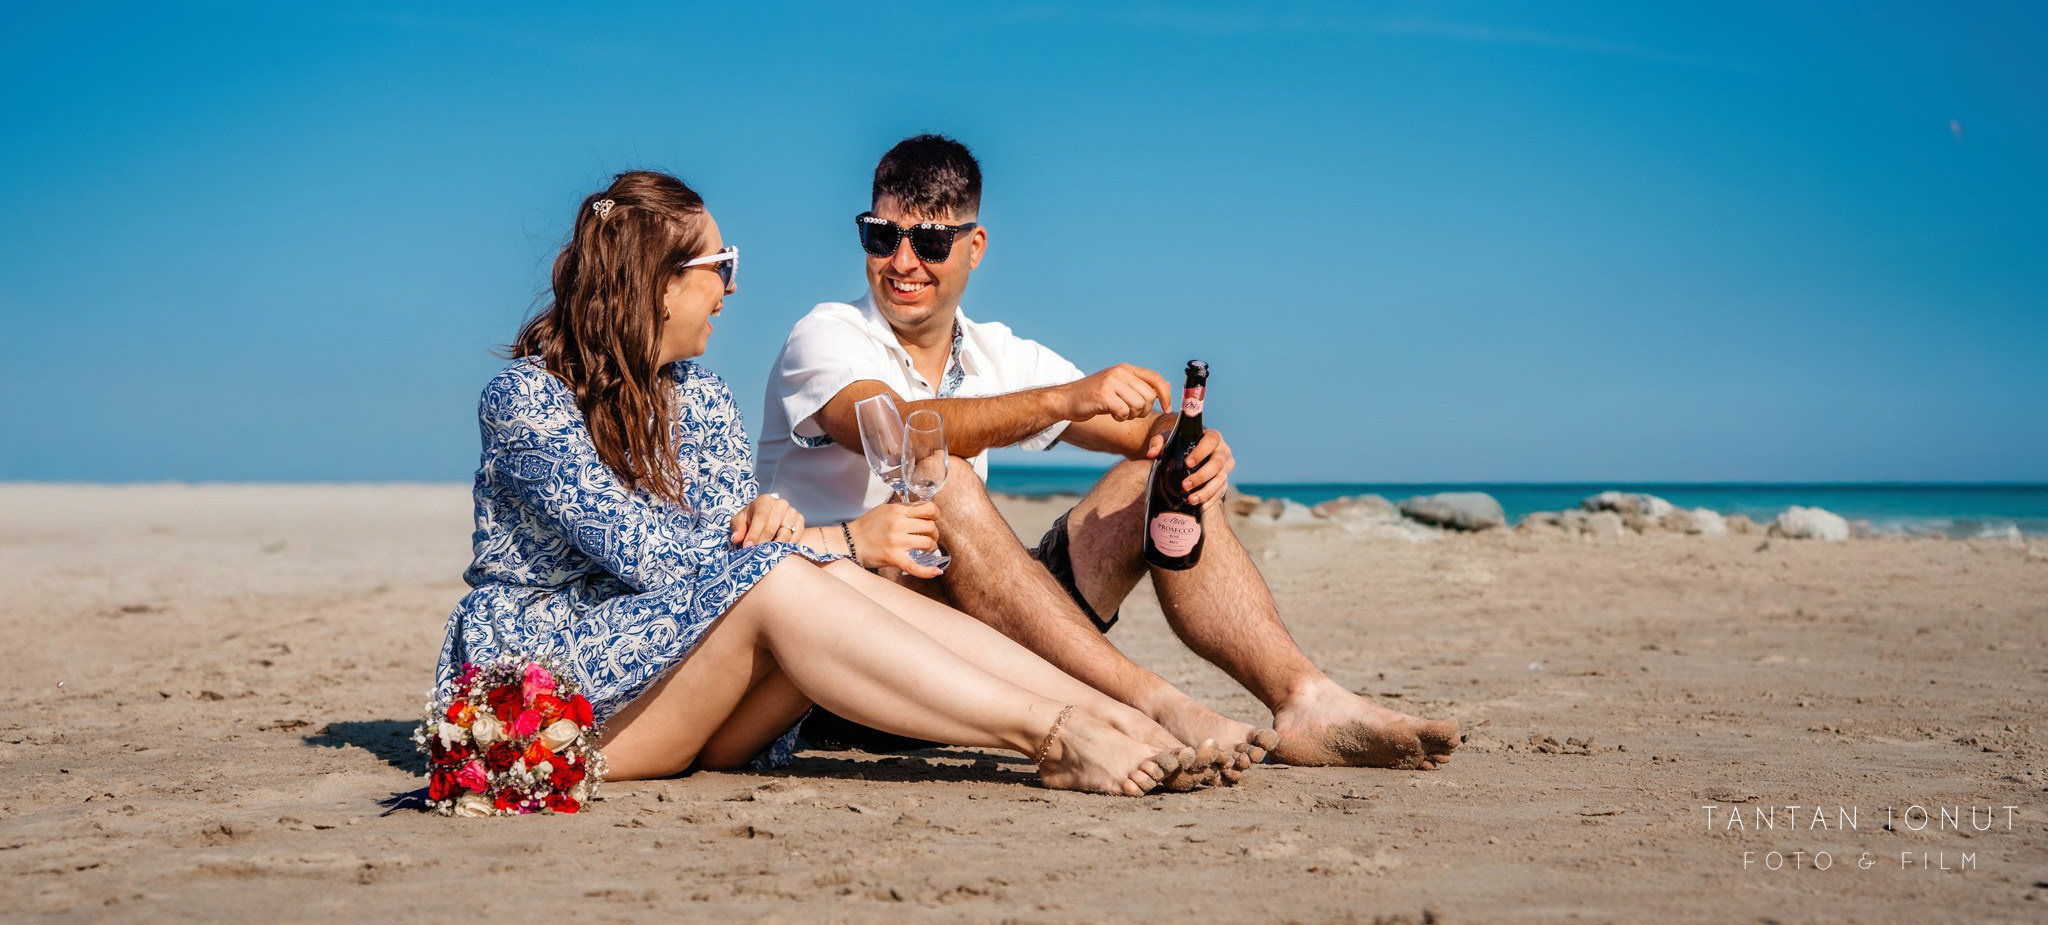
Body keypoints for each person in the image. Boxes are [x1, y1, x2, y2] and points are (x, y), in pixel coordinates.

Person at [433, 169, 1229, 795]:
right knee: (796, 572)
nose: (733, 285)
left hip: (687, 691)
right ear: (658, 279)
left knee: (802, 574)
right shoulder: (525, 402)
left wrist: (793, 536)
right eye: (721, 265)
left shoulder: (701, 397)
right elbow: (662, 561)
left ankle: (1112, 711)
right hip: (550, 703)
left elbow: (725, 551)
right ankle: (1055, 734)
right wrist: (838, 538)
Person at [757, 137, 1460, 770]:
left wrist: (1191, 446)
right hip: (856, 668)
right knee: (945, 485)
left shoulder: (999, 351)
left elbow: (1141, 433)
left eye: (930, 242)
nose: (902, 261)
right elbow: (901, 427)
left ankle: (1305, 698)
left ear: (974, 247)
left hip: (984, 643)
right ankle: (1150, 702)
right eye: (882, 236)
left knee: (1156, 479)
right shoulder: (825, 335)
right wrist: (1062, 399)